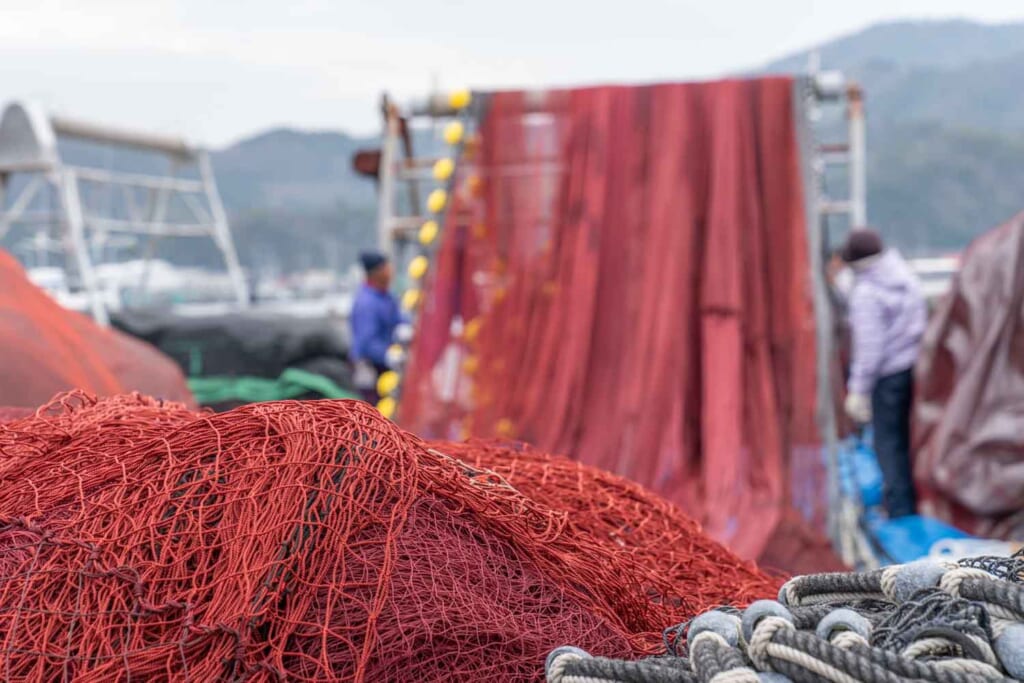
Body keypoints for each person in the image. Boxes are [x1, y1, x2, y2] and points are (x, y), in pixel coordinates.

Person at [841, 229, 927, 518]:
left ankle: (901, 512)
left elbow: (870, 349)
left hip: (887, 377)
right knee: (910, 439)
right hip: (914, 370)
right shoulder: (906, 277)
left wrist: (858, 390)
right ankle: (918, 505)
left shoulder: (866, 293)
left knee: (888, 444)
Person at [350, 251, 403, 403]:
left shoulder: (386, 296)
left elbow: (398, 319)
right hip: (371, 369)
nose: (391, 271)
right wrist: (387, 355)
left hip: (386, 367)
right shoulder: (366, 303)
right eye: (386, 267)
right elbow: (367, 342)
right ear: (376, 272)